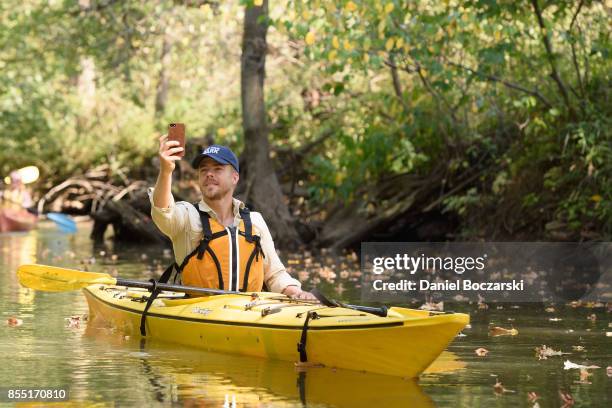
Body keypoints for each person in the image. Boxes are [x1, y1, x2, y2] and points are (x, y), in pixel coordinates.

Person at [149, 134, 315, 299]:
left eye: (217, 169)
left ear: (235, 177)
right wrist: (166, 171)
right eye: (204, 170)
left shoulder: (254, 221)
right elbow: (163, 211)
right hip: (196, 313)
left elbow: (274, 275)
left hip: (249, 312)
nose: (209, 174)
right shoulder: (187, 216)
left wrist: (297, 293)